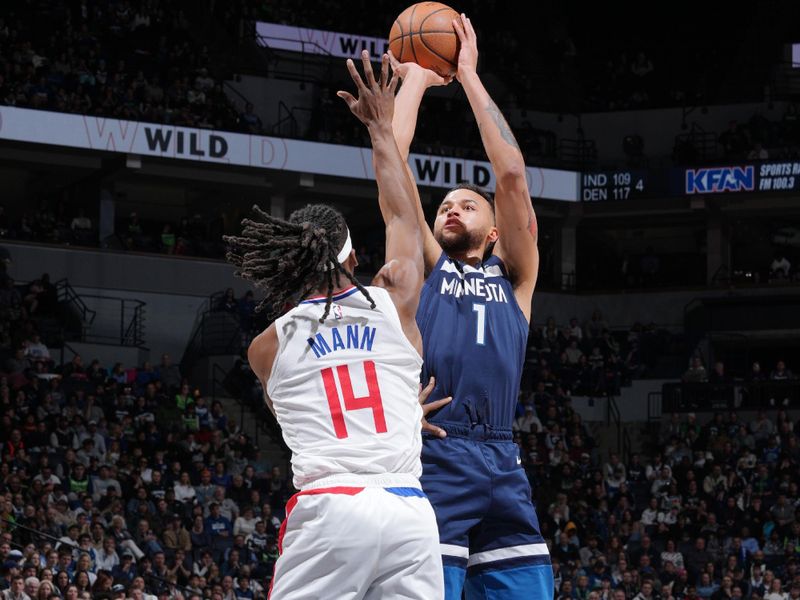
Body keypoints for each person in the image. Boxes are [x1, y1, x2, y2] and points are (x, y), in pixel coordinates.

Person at [227, 53, 444, 599]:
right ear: (353, 258)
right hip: (408, 511)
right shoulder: (395, 298)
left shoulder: (266, 347)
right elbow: (400, 214)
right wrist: (378, 127)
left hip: (332, 508)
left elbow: (305, 418)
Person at [384, 14, 552, 599]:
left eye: (468, 205)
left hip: (503, 460)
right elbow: (392, 159)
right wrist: (415, 81)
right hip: (438, 453)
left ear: (496, 232)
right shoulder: (433, 268)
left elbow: (510, 173)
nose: (452, 208)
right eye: (445, 205)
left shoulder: (519, 278)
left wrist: (469, 75)